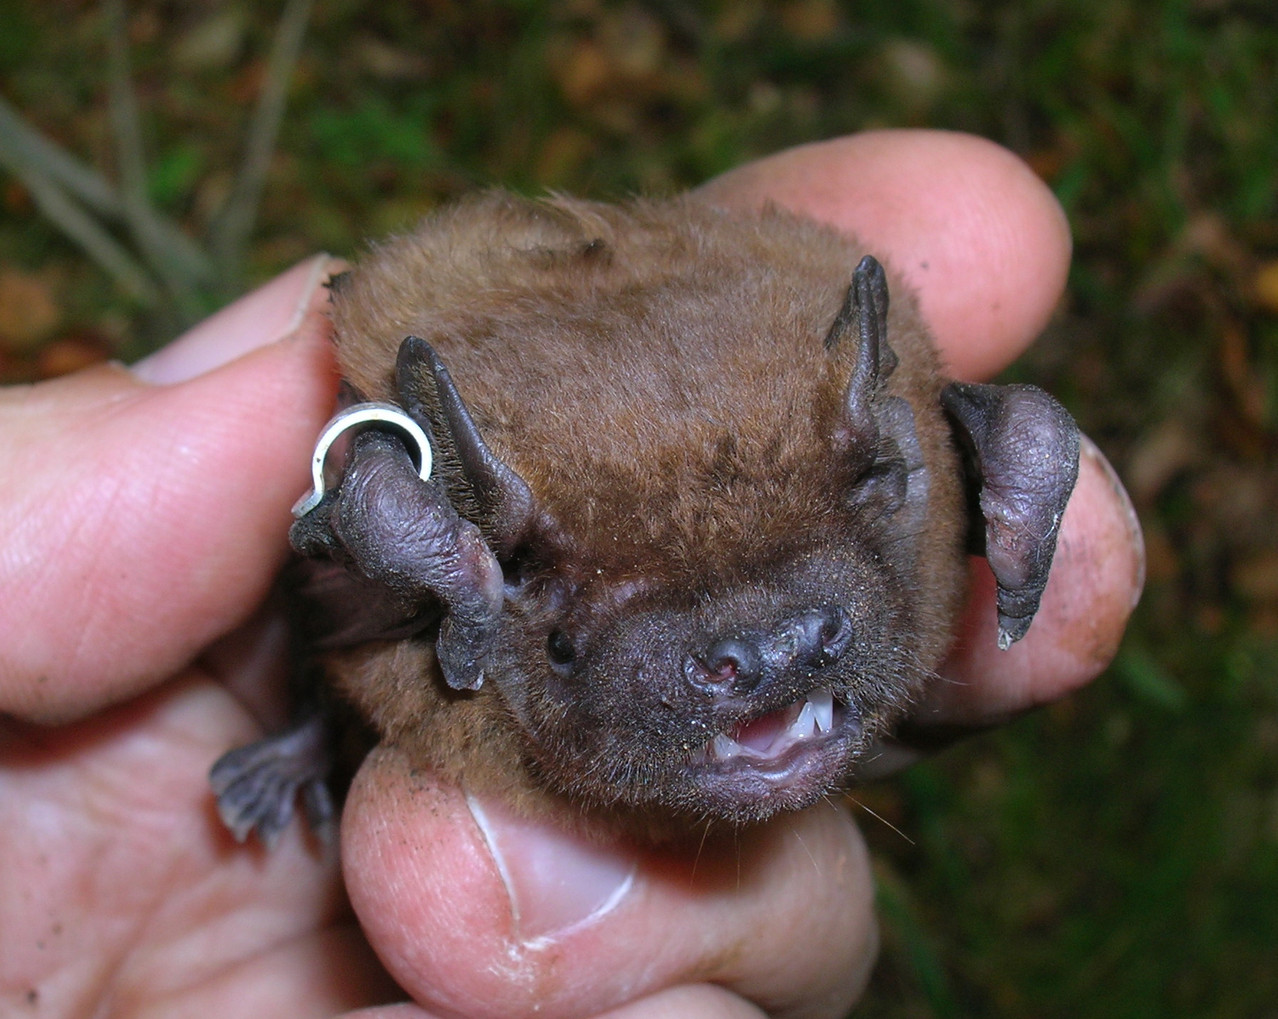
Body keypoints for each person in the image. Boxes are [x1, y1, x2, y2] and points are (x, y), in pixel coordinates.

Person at [0, 130, 1142, 1018]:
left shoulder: (898, 415)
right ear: (461, 578)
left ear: (900, 466)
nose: (769, 665)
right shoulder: (397, 523)